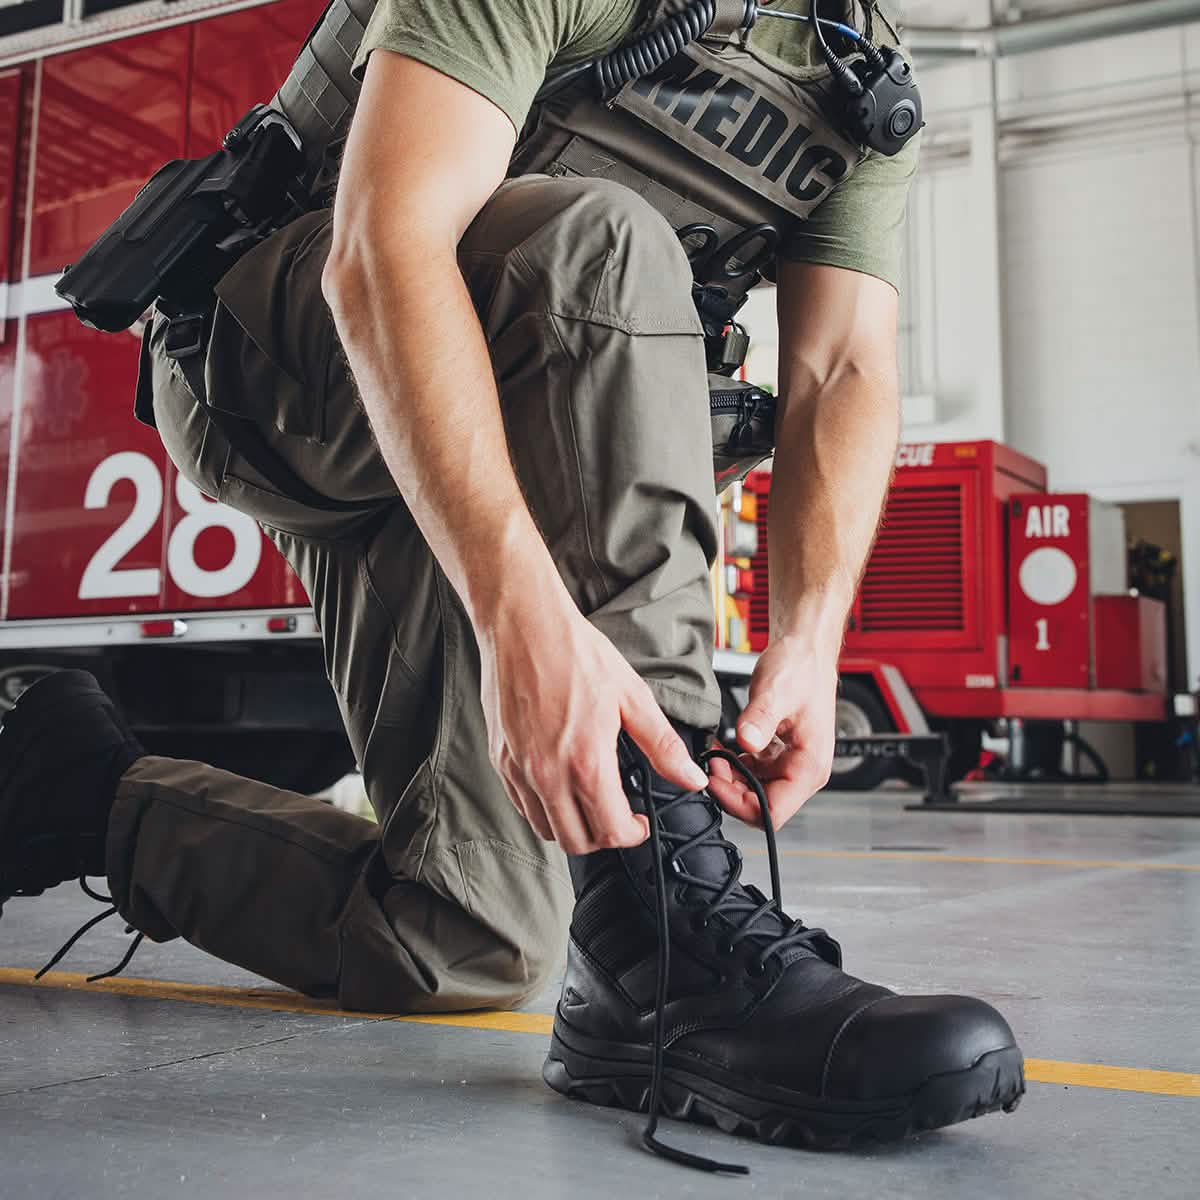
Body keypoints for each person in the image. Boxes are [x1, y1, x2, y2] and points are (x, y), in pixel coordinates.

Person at [0, 0, 1024, 1160]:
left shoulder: (859, 72)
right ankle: (669, 952)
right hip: (278, 362)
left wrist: (807, 640)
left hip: (472, 425)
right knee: (595, 239)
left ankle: (51, 780)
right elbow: (384, 246)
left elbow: (841, 368)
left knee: (463, 940)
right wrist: (519, 614)